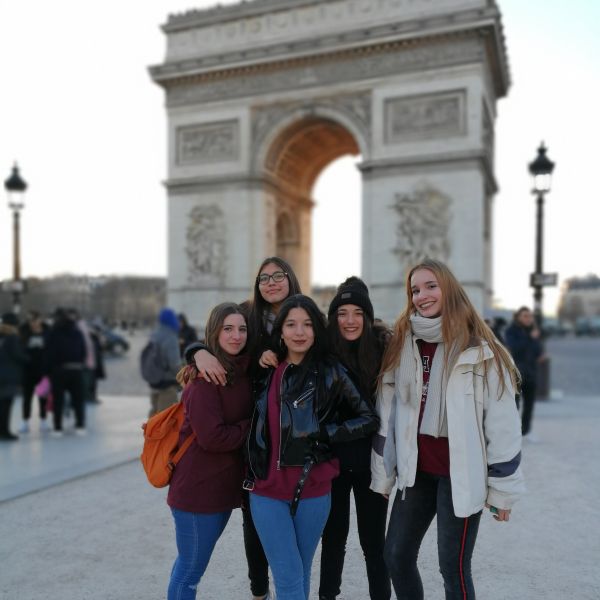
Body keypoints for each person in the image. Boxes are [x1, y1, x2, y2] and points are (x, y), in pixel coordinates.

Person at [371, 259, 525, 600]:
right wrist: (383, 474)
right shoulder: (403, 345)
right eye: (415, 290)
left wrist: (502, 491)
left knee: (453, 569)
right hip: (416, 471)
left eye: (431, 286)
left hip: (460, 477)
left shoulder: (484, 352)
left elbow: (503, 427)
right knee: (395, 555)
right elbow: (389, 415)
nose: (422, 295)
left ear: (450, 289)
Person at [247, 294, 380, 600]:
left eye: (307, 324)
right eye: (291, 324)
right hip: (266, 490)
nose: (300, 332)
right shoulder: (265, 368)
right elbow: (225, 347)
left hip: (313, 489)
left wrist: (325, 432)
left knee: (301, 571)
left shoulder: (332, 371)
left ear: (317, 330)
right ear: (280, 331)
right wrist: (196, 353)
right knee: (289, 577)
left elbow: (369, 418)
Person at [188, 256, 302, 600]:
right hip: (254, 432)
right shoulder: (246, 314)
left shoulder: (306, 314)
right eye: (264, 277)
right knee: (254, 519)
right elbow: (218, 334)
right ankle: (258, 591)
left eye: (278, 275)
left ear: (291, 277)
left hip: (296, 432)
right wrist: (197, 351)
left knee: (297, 520)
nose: (271, 282)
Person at [167, 302, 254, 599]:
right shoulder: (204, 380)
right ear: (214, 332)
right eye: (227, 329)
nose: (236, 336)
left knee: (189, 565)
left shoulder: (240, 370)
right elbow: (212, 438)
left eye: (242, 329)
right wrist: (254, 426)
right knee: (190, 572)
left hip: (219, 489)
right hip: (197, 492)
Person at [318, 277, 391, 600]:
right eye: (342, 313)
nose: (350, 320)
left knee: (374, 544)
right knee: (332, 541)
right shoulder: (320, 349)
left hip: (372, 463)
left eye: (358, 313)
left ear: (368, 316)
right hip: (332, 464)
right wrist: (198, 351)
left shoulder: (386, 349)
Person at [45, 308, 87, 437]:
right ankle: (80, 425)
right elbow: (83, 351)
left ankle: (57, 427)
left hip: (59, 370)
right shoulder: (77, 332)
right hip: (76, 369)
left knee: (58, 400)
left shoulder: (54, 332)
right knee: (78, 400)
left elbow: (49, 353)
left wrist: (49, 370)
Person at [504, 306, 545, 439]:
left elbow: (538, 351)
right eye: (525, 316)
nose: (528, 319)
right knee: (514, 404)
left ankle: (525, 432)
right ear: (518, 317)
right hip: (516, 372)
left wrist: (536, 344)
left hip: (531, 372)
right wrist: (530, 338)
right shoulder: (511, 331)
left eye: (530, 316)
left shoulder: (533, 331)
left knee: (529, 405)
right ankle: (513, 432)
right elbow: (514, 348)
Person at [145, 308, 182, 418]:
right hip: (167, 383)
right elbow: (174, 364)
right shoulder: (170, 337)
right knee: (166, 417)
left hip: (154, 380)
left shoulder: (154, 334)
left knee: (154, 413)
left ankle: (149, 429)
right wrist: (183, 376)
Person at [19, 311, 51, 433]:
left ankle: (43, 420)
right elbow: (20, 349)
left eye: (35, 320)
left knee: (43, 396)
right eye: (30, 320)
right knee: (27, 397)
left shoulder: (48, 331)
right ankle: (25, 421)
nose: (33, 323)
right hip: (27, 370)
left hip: (43, 369)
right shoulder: (23, 331)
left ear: (40, 320)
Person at [0, 313, 27, 441]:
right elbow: (18, 355)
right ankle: (4, 431)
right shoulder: (12, 337)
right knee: (6, 404)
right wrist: (29, 358)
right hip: (9, 375)